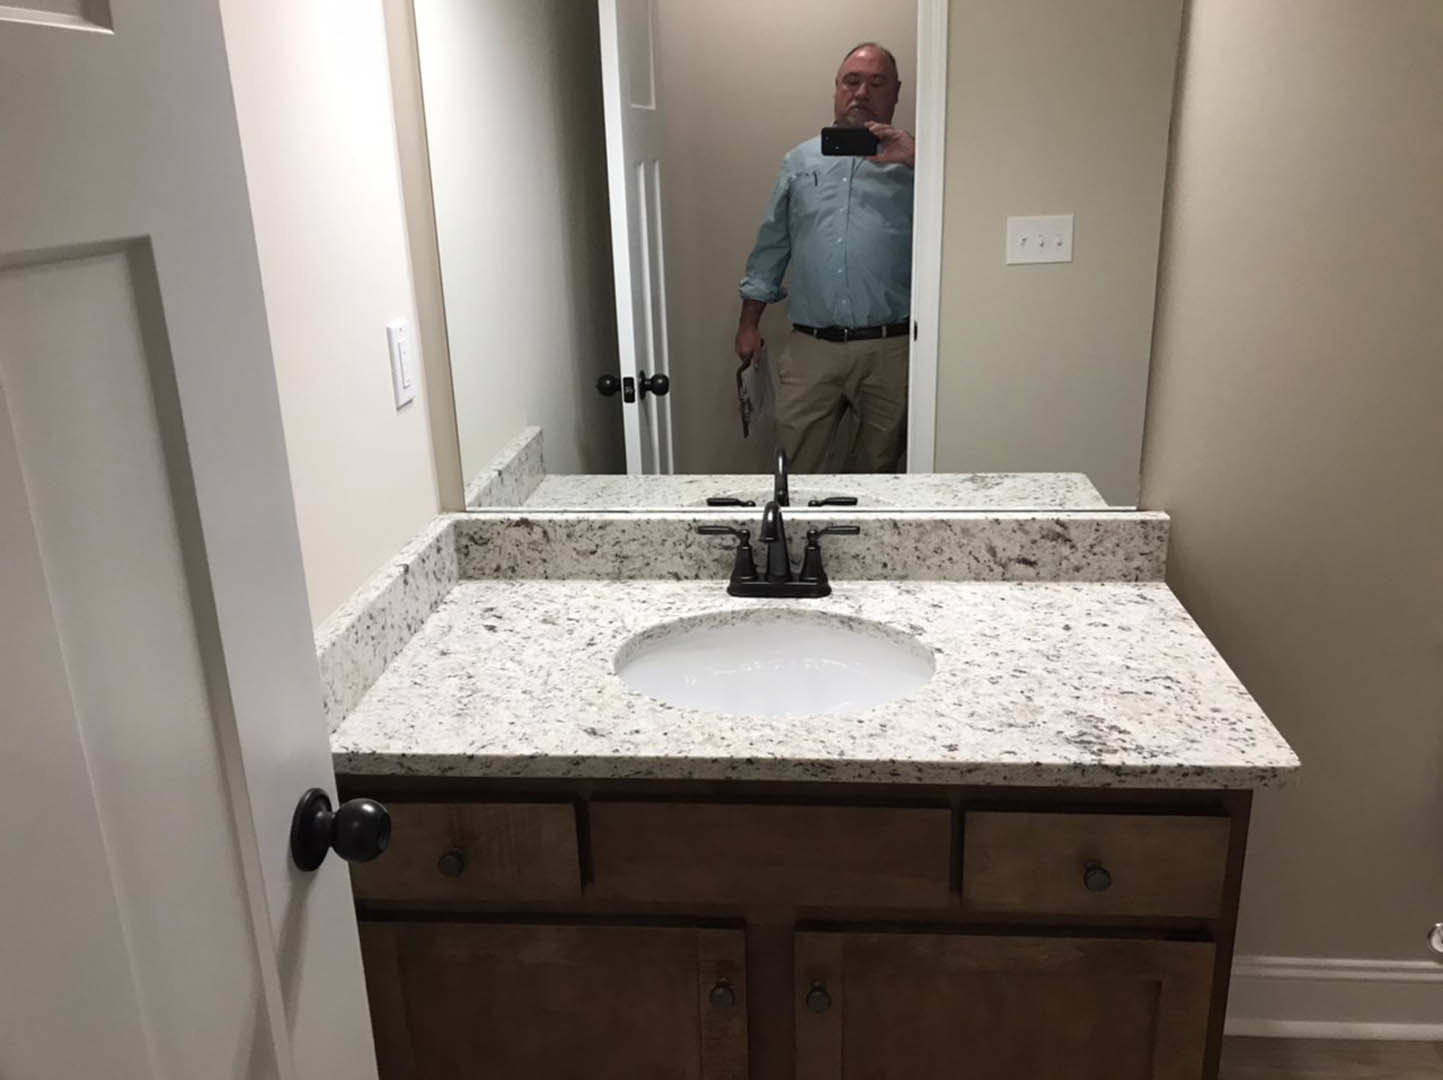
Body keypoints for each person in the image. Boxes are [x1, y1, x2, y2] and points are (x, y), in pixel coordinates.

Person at [735, 42, 915, 473]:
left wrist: (918, 160)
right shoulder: (799, 161)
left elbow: (963, 232)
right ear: (836, 88)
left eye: (877, 83)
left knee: (879, 472)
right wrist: (748, 324)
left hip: (892, 348)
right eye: (852, 81)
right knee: (798, 467)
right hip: (812, 346)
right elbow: (772, 245)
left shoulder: (920, 162)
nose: (862, 92)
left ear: (896, 92)